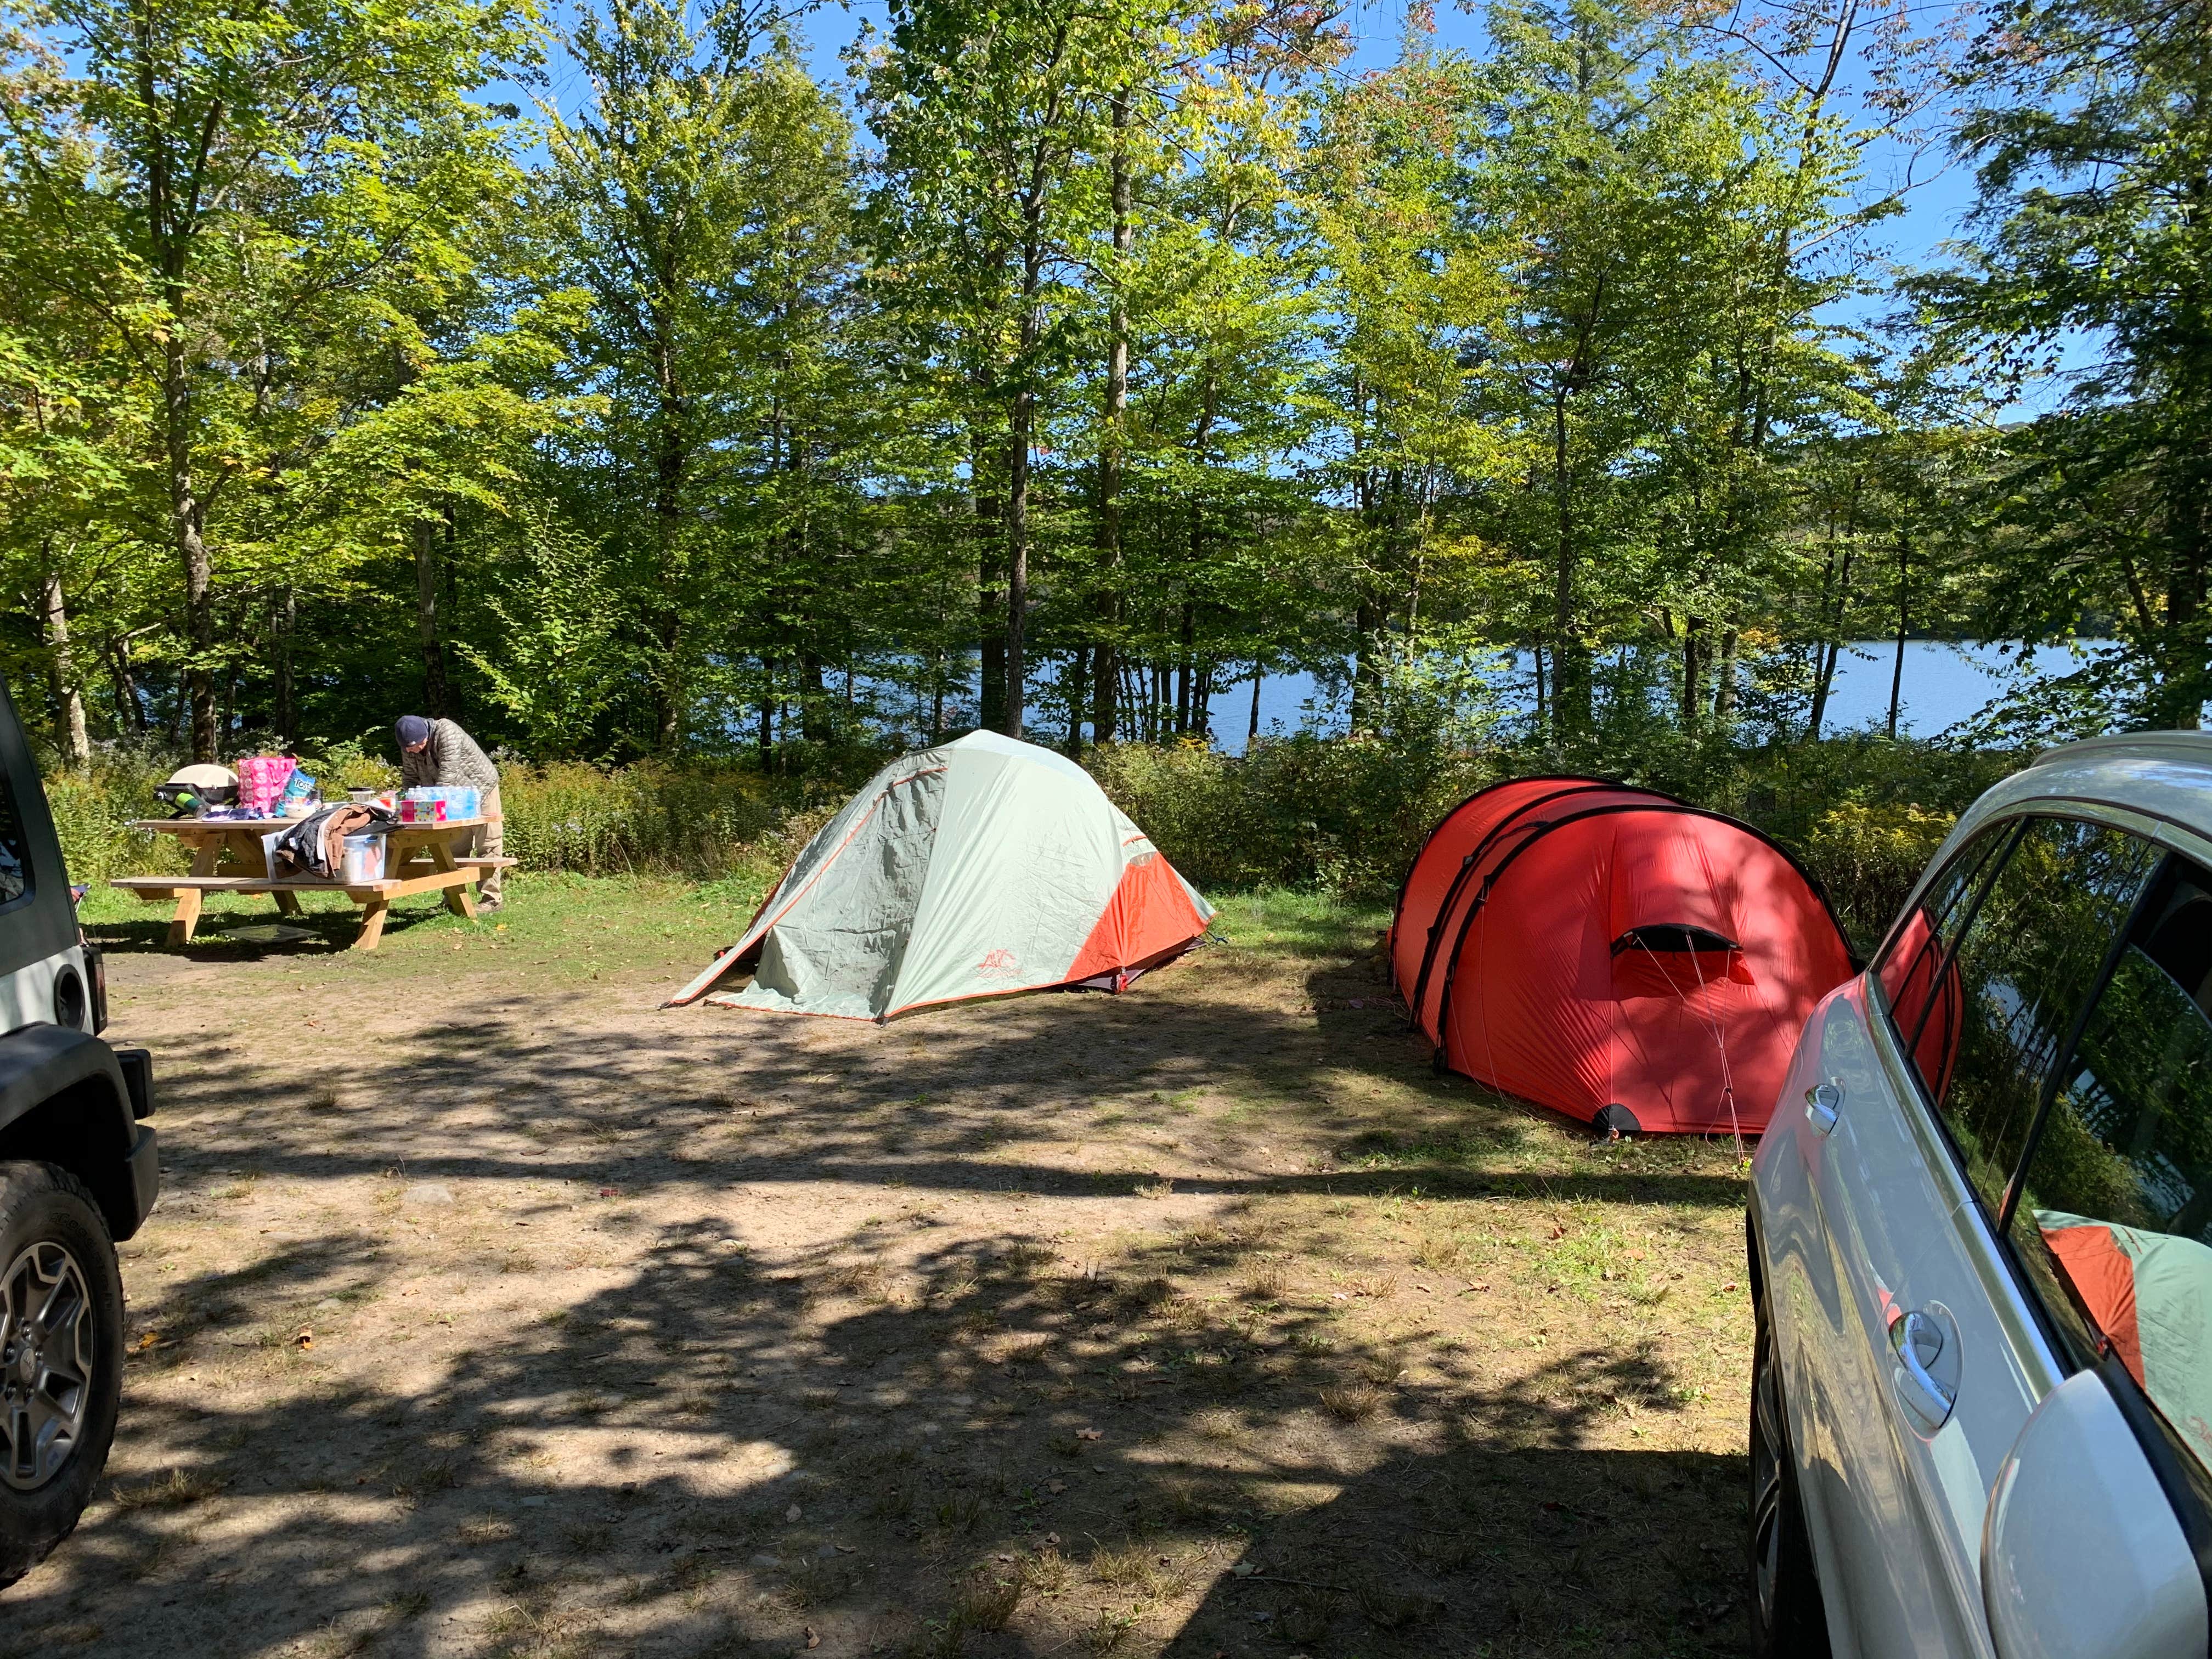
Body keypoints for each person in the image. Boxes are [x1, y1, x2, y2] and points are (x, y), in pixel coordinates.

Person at [397, 715, 506, 911]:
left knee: (488, 843)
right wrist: (408, 801)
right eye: (408, 748)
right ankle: (452, 899)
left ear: (427, 734)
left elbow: (449, 771)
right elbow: (410, 777)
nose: (414, 750)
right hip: (450, 795)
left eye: (418, 745)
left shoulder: (447, 730)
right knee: (453, 846)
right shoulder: (409, 746)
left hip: (480, 787)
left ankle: (491, 899)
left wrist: (434, 804)